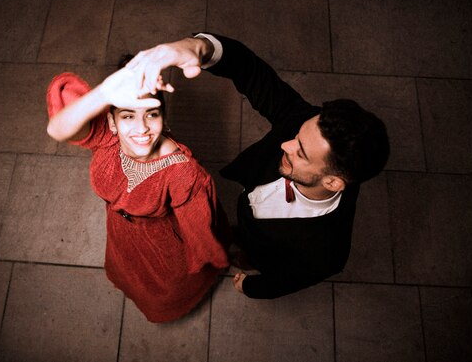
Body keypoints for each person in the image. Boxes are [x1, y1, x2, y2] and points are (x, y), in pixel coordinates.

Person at [126, 33, 390, 299]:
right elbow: (250, 70)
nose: (285, 145)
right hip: (248, 214)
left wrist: (251, 288)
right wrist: (198, 48)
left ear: (332, 181)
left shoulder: (326, 252)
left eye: (301, 153)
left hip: (264, 250)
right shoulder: (304, 121)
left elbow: (285, 280)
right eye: (297, 136)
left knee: (250, 253)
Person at [45, 62, 230, 322]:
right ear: (111, 121)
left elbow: (200, 234)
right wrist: (106, 93)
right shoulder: (108, 138)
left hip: (162, 246)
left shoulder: (181, 172)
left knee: (164, 290)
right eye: (128, 115)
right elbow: (57, 128)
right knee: (128, 273)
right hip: (122, 236)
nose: (141, 128)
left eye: (151, 114)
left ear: (163, 117)